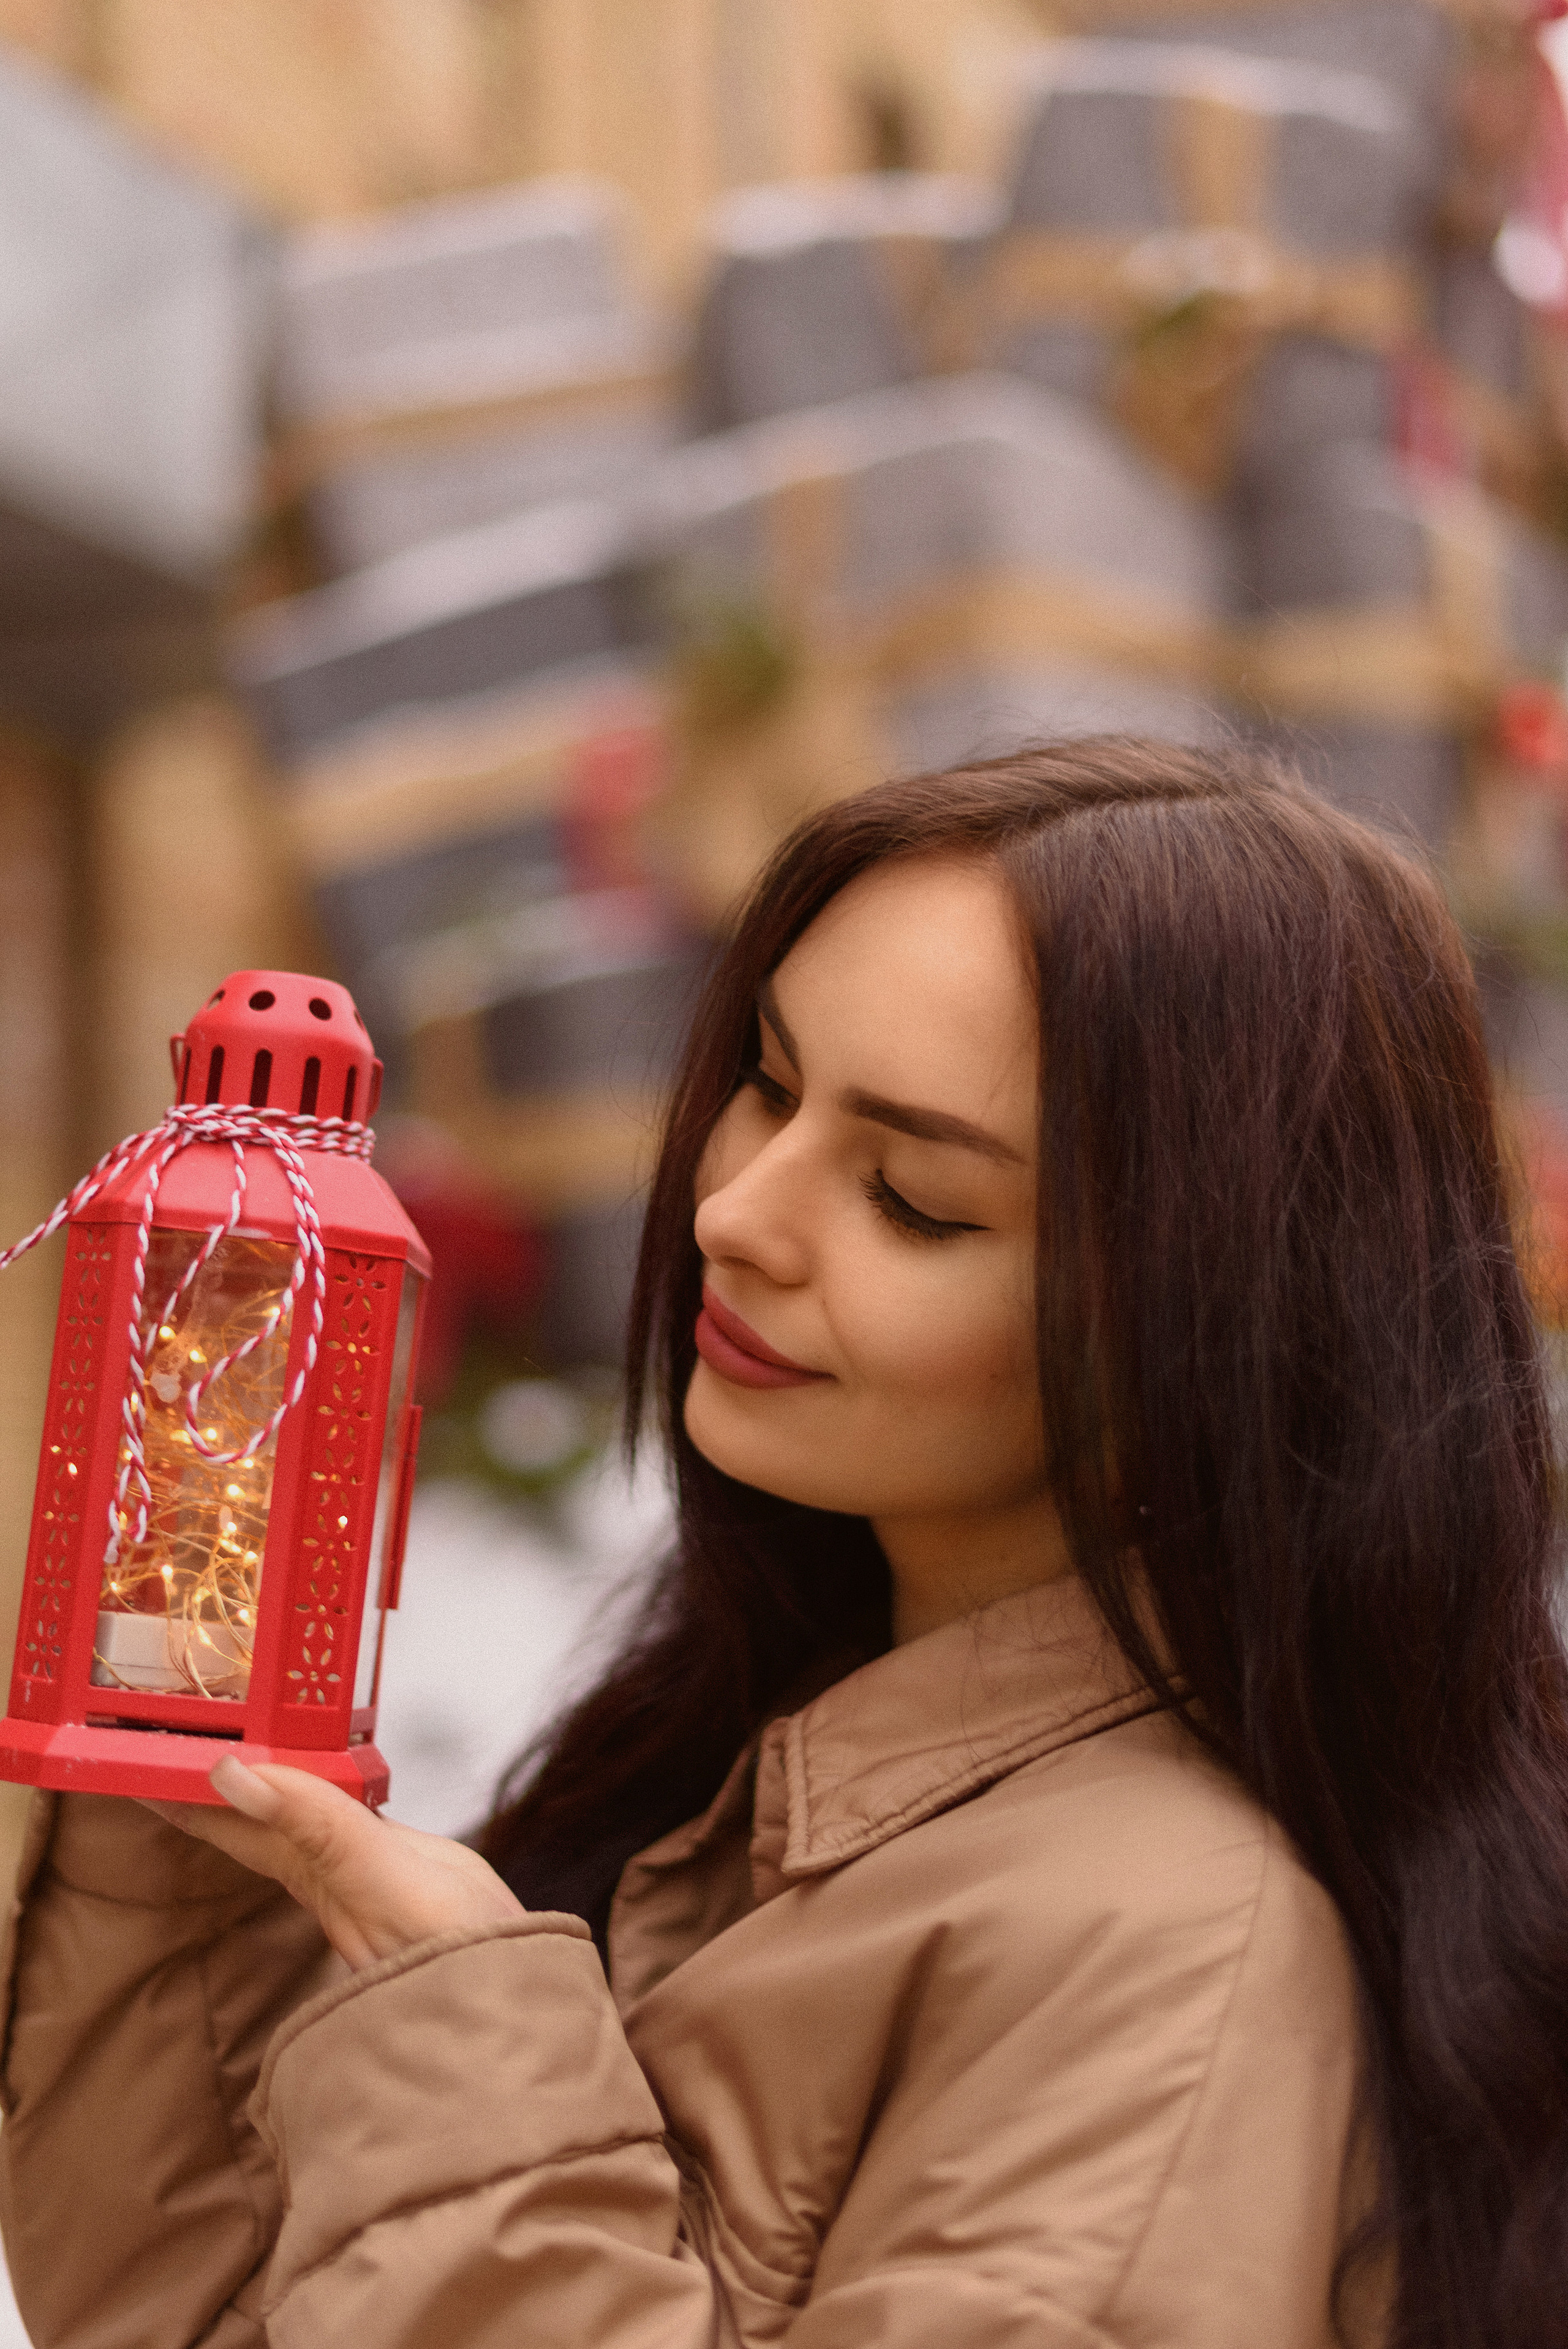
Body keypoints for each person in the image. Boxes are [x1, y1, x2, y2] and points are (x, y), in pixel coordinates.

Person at [2, 740, 1566, 2349]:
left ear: (1209, 1326)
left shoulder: (1172, 1946)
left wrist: (471, 2053)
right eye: (768, 1077)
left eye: (914, 1196)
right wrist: (174, 1776)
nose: (737, 1209)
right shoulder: (767, 1768)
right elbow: (190, 2315)